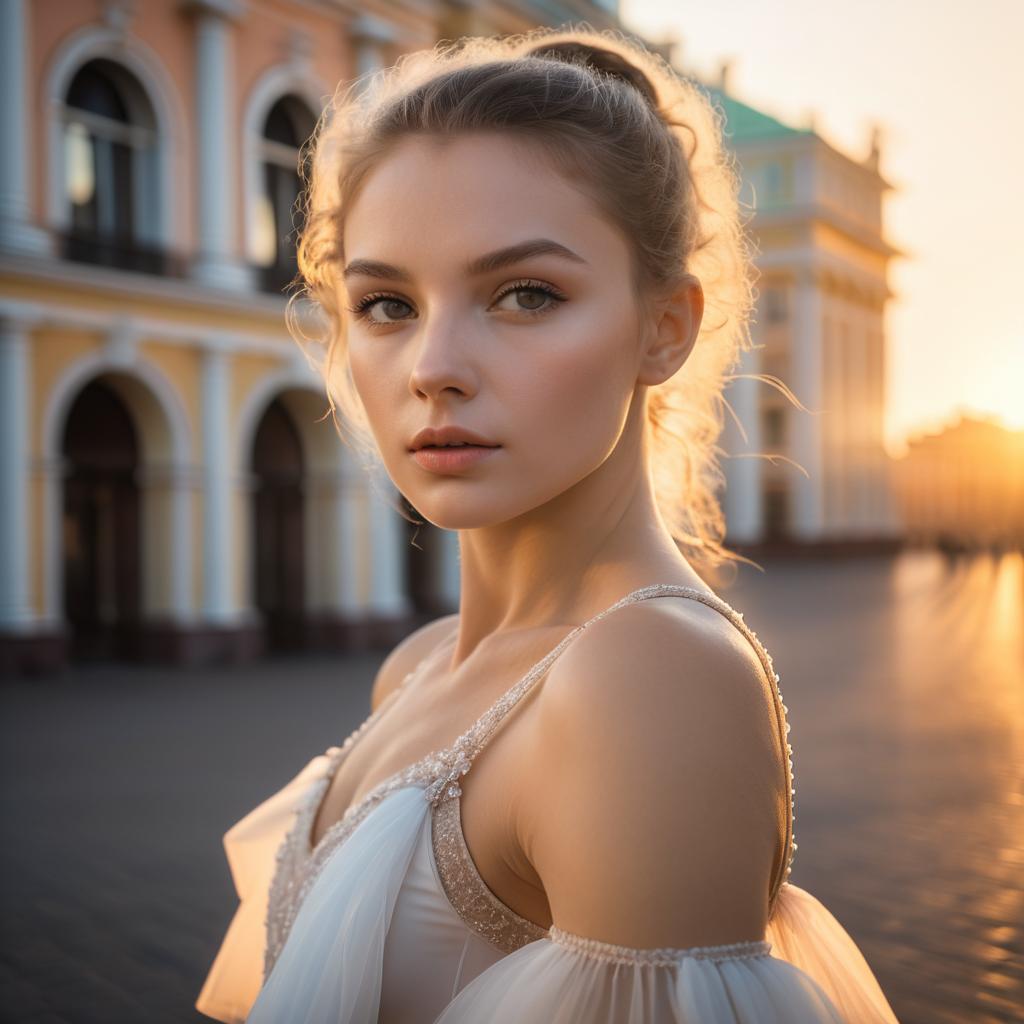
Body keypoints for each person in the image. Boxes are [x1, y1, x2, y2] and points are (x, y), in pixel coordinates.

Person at [196, 23, 900, 1023]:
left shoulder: (651, 675)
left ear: (665, 327)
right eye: (387, 303)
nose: (433, 365)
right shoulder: (419, 663)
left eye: (524, 294)